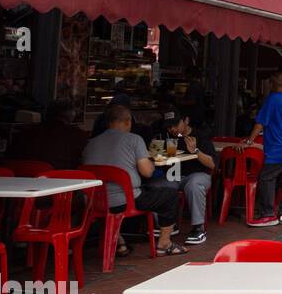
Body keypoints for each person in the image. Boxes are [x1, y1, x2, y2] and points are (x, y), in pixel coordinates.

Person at [83, 104, 180, 255]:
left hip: (94, 202)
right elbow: (147, 172)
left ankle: (119, 242)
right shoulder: (134, 139)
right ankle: (165, 243)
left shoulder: (91, 143)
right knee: (171, 195)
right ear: (128, 122)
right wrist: (152, 163)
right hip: (125, 201)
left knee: (110, 202)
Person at [238, 72, 282, 227]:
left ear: (273, 85)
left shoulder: (272, 100)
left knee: (266, 178)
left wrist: (249, 141)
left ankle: (267, 214)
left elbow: (260, 123)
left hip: (278, 147)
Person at [148, 111, 217, 246]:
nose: (173, 129)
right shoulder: (164, 135)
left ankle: (198, 228)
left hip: (197, 175)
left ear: (186, 121)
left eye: (175, 125)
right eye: (169, 126)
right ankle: (166, 225)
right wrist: (155, 149)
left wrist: (196, 151)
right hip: (173, 177)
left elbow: (212, 164)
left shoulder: (200, 136)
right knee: (154, 185)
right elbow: (154, 157)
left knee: (194, 185)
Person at [6, 99, 89, 169]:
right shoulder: (76, 135)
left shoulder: (24, 132)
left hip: (20, 178)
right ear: (71, 114)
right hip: (59, 181)